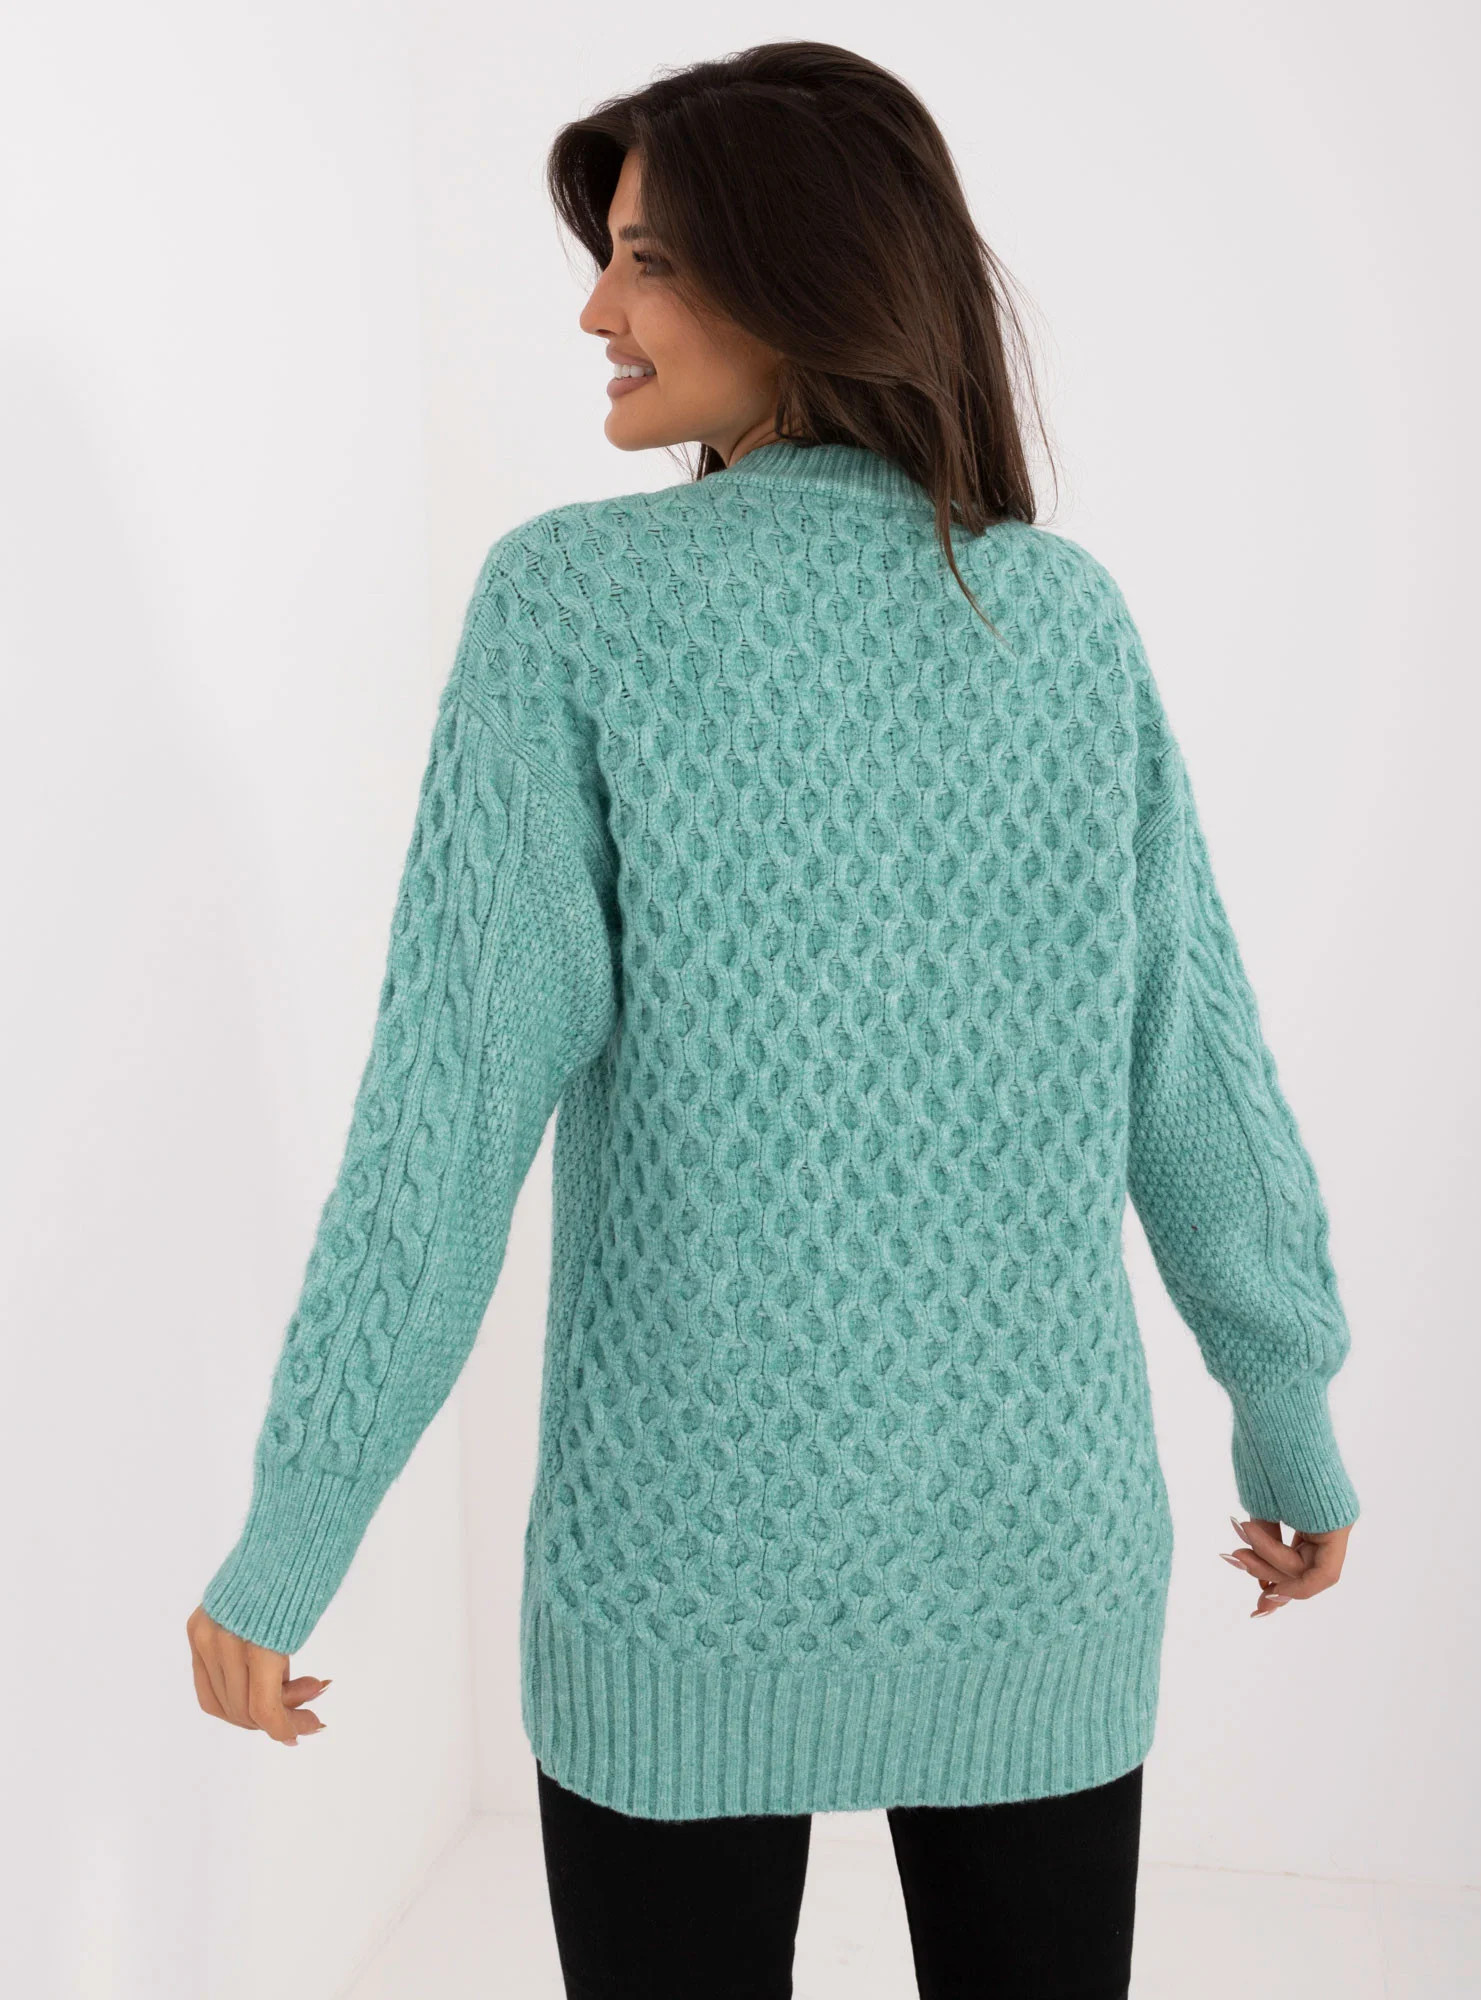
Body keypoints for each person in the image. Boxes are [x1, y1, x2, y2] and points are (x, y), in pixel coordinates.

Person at [187, 40, 1360, 2000]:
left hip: (681, 1582)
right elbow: (1199, 1076)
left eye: (646, 258)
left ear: (803, 272)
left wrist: (295, 1527)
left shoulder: (570, 607)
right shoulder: (1056, 618)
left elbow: (442, 1121)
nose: (595, 308)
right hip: (1035, 1555)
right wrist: (1288, 1409)